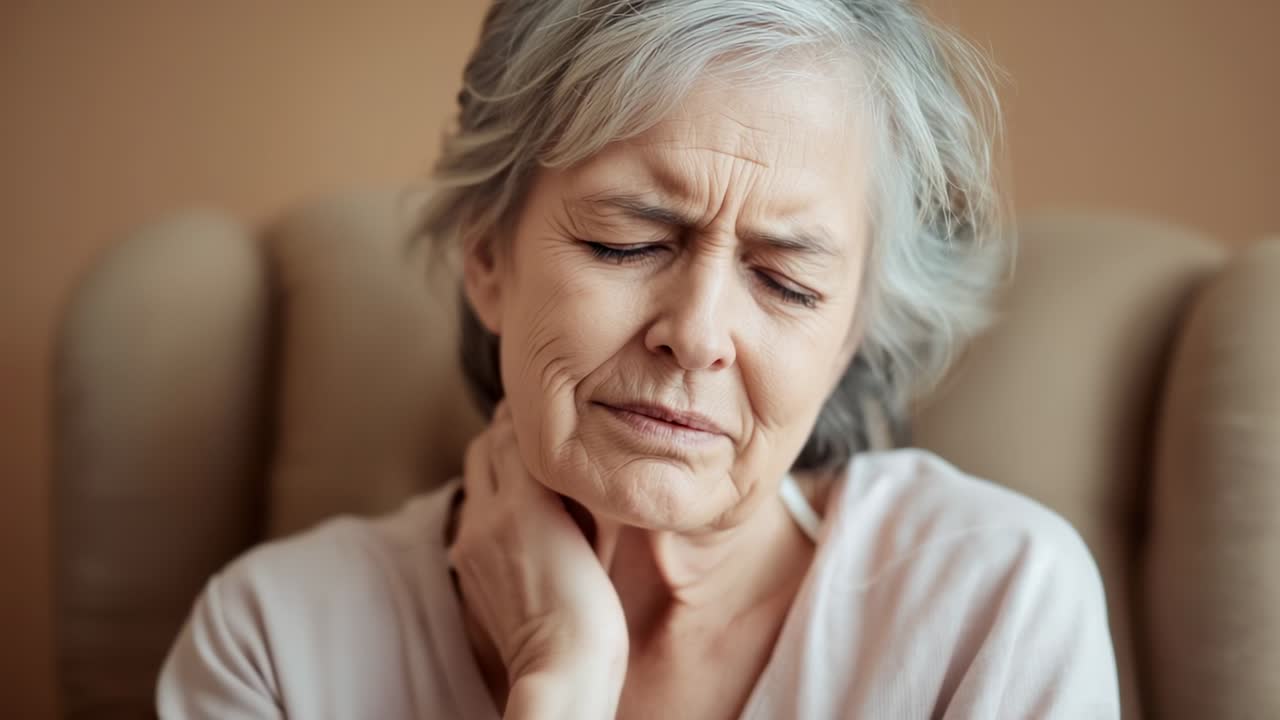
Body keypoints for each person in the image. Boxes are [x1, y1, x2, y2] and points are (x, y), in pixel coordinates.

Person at [157, 1, 1120, 717]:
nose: (698, 333)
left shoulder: (993, 603)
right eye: (627, 242)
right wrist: (559, 677)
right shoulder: (275, 647)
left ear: (852, 336)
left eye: (786, 282)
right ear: (486, 256)